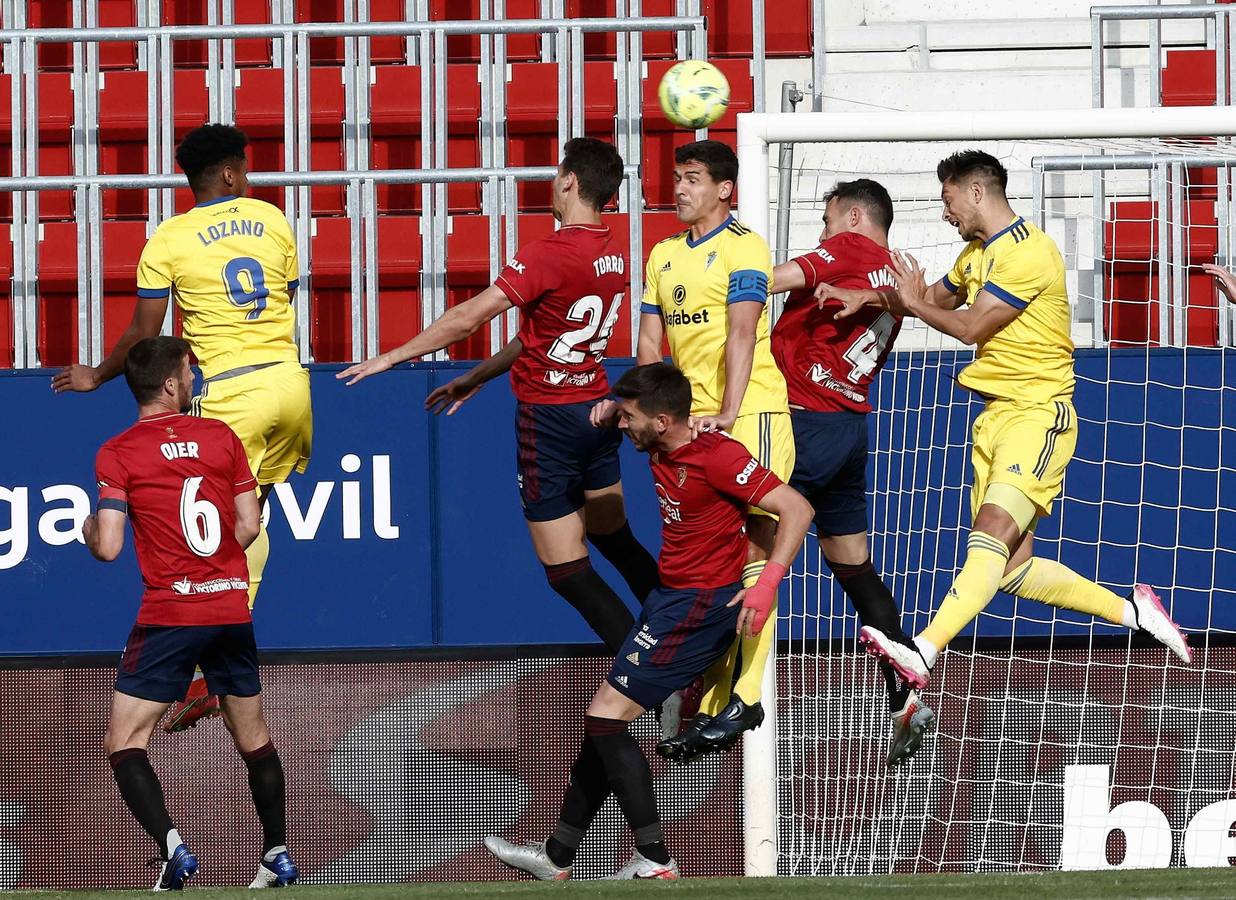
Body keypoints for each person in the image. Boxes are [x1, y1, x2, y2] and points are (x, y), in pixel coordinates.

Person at [854, 150, 1191, 690]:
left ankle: (924, 650)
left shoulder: (1029, 252)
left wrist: (914, 305)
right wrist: (867, 296)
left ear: (976, 192)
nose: (946, 212)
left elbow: (967, 327)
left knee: (987, 536)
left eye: (948, 199)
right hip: (994, 419)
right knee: (1009, 570)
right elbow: (925, 298)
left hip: (1039, 414)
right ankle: (1135, 612)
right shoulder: (974, 255)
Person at [485, 362, 813, 880]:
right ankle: (558, 856)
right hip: (668, 601)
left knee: (604, 719)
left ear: (661, 421)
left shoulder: (720, 456)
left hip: (701, 608)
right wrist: (612, 406)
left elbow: (796, 508)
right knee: (604, 723)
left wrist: (768, 581)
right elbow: (638, 409)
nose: (623, 425)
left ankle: (655, 859)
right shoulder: (663, 441)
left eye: (631, 417)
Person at [338, 138, 659, 655]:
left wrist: (394, 356)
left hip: (548, 422)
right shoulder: (615, 251)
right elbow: (541, 335)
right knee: (614, 538)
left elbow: (470, 316)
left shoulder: (548, 252)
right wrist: (479, 376)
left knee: (567, 572)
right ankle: (682, 640)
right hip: (597, 411)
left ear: (570, 181)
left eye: (558, 178)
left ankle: (646, 673)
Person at [54, 123, 312, 732]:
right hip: (290, 382)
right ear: (229, 174)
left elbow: (146, 334)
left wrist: (97, 375)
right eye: (244, 169)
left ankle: (204, 666)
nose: (248, 179)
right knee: (256, 515)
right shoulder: (273, 219)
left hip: (228, 390)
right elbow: (288, 296)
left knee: (203, 531)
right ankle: (220, 655)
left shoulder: (167, 240)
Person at [594, 139, 795, 754]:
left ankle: (745, 698)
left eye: (693, 179)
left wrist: (730, 411)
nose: (679, 189)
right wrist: (634, 405)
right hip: (687, 425)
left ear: (725, 189)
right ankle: (710, 690)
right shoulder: (661, 254)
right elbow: (651, 345)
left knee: (757, 553)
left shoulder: (745, 247)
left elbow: (741, 331)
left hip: (750, 410)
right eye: (677, 178)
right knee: (712, 565)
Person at [84, 336, 296, 890]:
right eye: (190, 370)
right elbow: (248, 526)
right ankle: (276, 855)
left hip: (172, 611)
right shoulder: (221, 438)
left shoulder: (119, 451)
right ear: (173, 383)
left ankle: (174, 850)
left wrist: (88, 527)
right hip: (229, 603)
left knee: (125, 741)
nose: (195, 379)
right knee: (253, 736)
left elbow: (107, 547)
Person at [760, 178, 933, 767]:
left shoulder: (852, 250)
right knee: (856, 571)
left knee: (744, 554)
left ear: (855, 216)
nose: (822, 232)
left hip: (802, 424)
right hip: (849, 428)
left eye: (828, 218)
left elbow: (780, 277)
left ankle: (708, 695)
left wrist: (720, 272)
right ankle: (905, 694)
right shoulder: (895, 279)